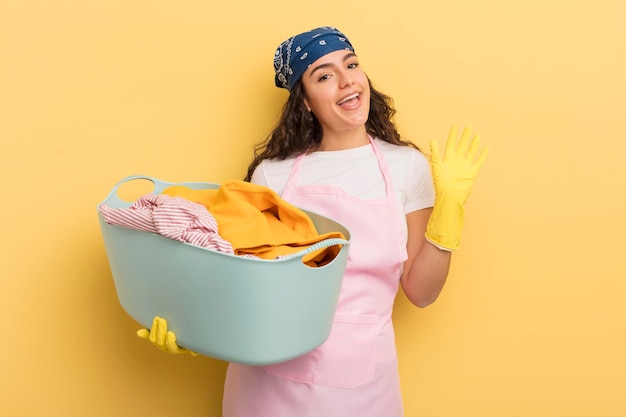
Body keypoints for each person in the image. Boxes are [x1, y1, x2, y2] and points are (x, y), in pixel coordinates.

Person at [138, 26, 488, 416]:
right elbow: (248, 284)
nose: (347, 80)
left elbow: (421, 292)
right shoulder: (273, 175)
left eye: (351, 64)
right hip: (266, 379)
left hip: (362, 381)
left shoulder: (406, 166)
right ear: (304, 101)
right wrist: (198, 331)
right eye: (324, 75)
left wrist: (450, 210)